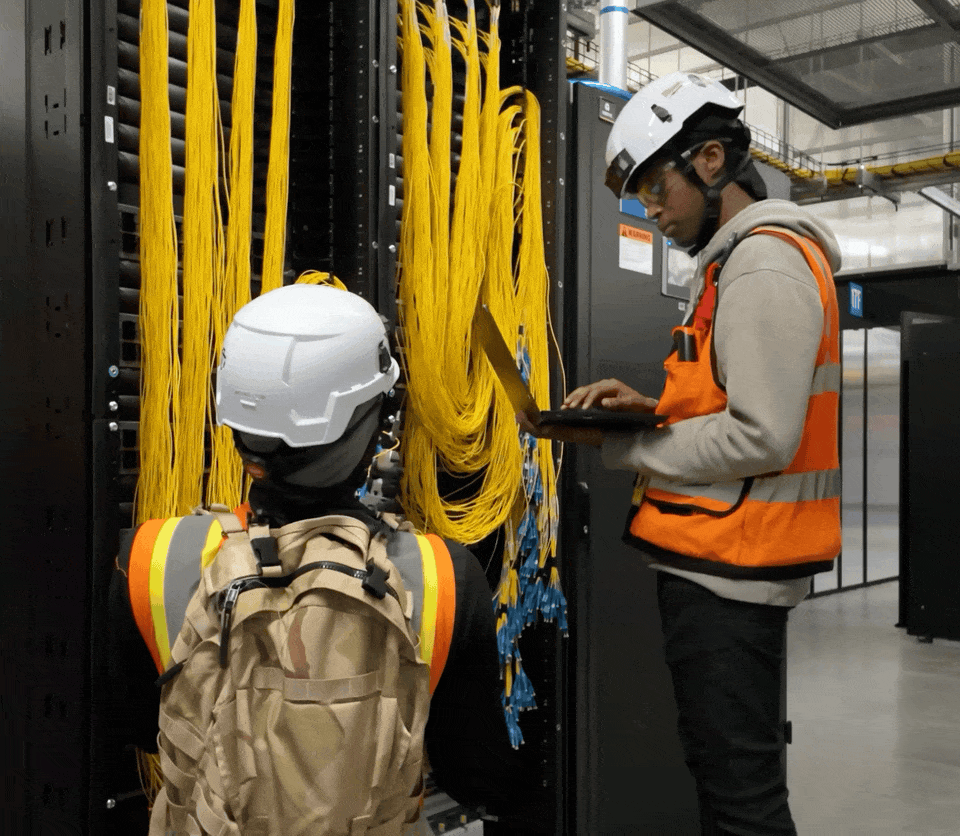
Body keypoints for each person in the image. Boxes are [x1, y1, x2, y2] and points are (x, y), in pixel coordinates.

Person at [521, 71, 842, 835]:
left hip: (735, 574)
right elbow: (730, 401)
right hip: (719, 564)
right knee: (724, 776)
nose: (651, 211)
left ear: (707, 162)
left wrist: (631, 442)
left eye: (655, 188)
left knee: (743, 800)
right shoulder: (732, 265)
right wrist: (655, 407)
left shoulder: (763, 265)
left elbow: (763, 434)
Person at [112, 284, 542, 833]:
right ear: (373, 425)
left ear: (238, 422)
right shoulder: (442, 577)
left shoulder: (151, 557)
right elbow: (474, 776)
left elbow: (136, 726)